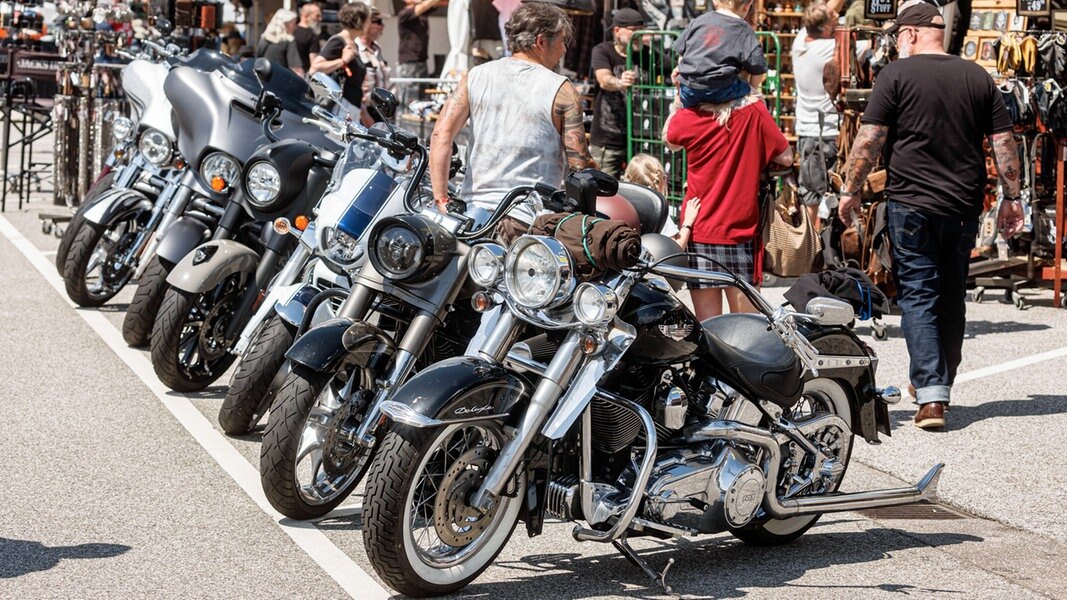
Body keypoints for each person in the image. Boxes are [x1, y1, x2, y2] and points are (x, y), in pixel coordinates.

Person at [836, 2, 1023, 430]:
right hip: (961, 205)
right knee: (951, 292)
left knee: (919, 293)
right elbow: (1004, 143)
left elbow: (869, 140)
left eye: (897, 36)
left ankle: (932, 396)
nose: (896, 44)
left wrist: (850, 190)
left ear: (913, 34)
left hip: (912, 203)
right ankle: (937, 385)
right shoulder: (977, 76)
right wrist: (1012, 198)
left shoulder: (896, 75)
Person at [429, 2, 594, 224]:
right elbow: (580, 165)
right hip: (529, 220)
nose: (564, 50)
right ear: (541, 42)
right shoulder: (562, 90)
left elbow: (441, 135)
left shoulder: (476, 76)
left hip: (472, 216)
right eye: (562, 41)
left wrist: (441, 198)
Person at [664, 94, 793, 320]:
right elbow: (786, 157)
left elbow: (670, 140)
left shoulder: (689, 115)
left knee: (710, 329)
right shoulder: (754, 112)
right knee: (746, 328)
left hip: (700, 227)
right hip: (739, 230)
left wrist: (678, 99)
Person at [589, 8, 661, 177]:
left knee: (641, 190)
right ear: (617, 31)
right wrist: (620, 82)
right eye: (633, 31)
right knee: (603, 191)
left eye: (641, 31)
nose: (638, 36)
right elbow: (604, 79)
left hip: (641, 138)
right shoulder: (603, 51)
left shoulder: (647, 54)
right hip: (608, 140)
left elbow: (670, 65)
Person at [792, 2, 840, 230]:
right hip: (827, 133)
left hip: (807, 132)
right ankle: (814, 252)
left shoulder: (800, 42)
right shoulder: (830, 48)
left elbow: (826, 9)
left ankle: (812, 250)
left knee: (811, 197)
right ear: (825, 29)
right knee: (821, 199)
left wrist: (829, 14)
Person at [672, 0, 766, 109]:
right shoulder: (744, 29)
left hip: (689, 89)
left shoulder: (698, 21)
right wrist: (752, 89)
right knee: (759, 100)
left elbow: (681, 53)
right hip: (720, 89)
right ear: (747, 6)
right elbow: (758, 67)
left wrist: (685, 72)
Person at [621, 154, 699, 249]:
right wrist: (688, 222)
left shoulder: (624, 206)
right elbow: (677, 247)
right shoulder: (658, 211)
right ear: (660, 181)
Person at [309, 2, 371, 114]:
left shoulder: (353, 43)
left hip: (351, 107)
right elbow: (315, 68)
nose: (370, 23)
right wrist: (343, 60)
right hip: (339, 108)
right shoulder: (338, 41)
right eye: (368, 20)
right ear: (360, 21)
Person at [397, 0, 443, 110]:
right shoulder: (405, 14)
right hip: (409, 64)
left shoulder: (422, 14)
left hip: (421, 62)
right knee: (410, 101)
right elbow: (424, 5)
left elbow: (436, 4)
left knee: (422, 101)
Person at [256, 9, 304, 77]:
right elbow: (296, 69)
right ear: (286, 24)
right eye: (293, 24)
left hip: (264, 81)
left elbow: (258, 59)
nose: (295, 27)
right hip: (282, 82)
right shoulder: (289, 41)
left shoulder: (264, 39)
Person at [294, 3, 323, 74]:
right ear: (306, 16)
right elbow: (314, 63)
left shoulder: (290, 31)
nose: (320, 19)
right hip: (304, 75)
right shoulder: (312, 36)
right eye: (317, 16)